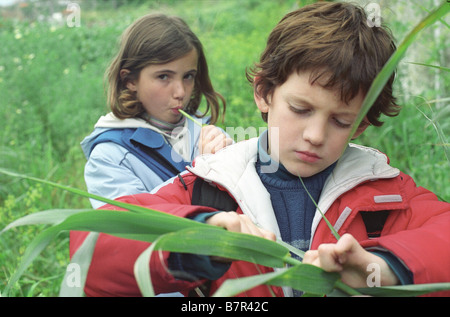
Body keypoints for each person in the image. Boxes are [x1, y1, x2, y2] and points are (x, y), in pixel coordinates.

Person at [71, 2, 450, 297]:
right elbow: (92, 250)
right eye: (300, 110)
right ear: (264, 93)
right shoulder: (209, 186)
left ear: (364, 123)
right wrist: (199, 236)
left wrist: (384, 267)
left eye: (341, 121)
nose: (316, 135)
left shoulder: (390, 193)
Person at [80, 13, 232, 209]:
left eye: (188, 76)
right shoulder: (109, 158)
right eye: (163, 77)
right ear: (130, 80)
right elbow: (140, 226)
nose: (180, 92)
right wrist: (201, 172)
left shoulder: (202, 133)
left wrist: (231, 160)